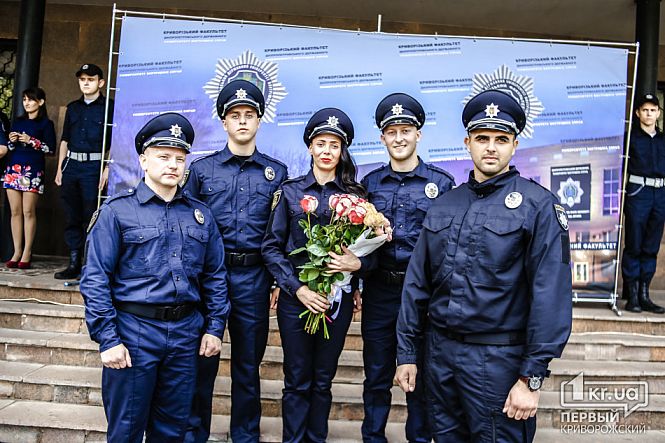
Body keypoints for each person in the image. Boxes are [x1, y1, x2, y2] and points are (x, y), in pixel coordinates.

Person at [395, 89, 573, 442]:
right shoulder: (445, 204)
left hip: (498, 361)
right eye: (482, 138)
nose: (491, 147)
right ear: (468, 143)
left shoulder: (538, 206)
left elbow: (550, 296)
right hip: (440, 357)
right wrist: (407, 353)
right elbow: (416, 285)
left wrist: (531, 378)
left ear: (515, 145)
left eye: (501, 139)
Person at [80, 112, 230, 442]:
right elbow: (95, 279)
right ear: (143, 160)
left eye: (180, 158)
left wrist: (214, 327)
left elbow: (215, 276)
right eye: (163, 156)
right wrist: (108, 339)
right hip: (134, 333)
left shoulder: (201, 215)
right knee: (126, 430)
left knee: (173, 431)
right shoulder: (116, 212)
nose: (173, 165)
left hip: (186, 335)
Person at [183, 79, 287, 443]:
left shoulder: (276, 173)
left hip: (254, 278)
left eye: (249, 115)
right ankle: (194, 433)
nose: (242, 121)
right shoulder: (201, 171)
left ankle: (245, 435)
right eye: (235, 115)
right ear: (224, 122)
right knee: (202, 360)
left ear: (259, 120)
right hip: (209, 278)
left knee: (247, 364)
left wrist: (277, 279)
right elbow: (186, 227)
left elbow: (281, 233)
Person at [261, 108, 364, 443]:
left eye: (334, 145)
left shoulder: (356, 197)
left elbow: (366, 253)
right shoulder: (290, 192)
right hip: (297, 300)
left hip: (336, 301)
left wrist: (356, 270)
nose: (326, 151)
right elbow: (271, 247)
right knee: (296, 379)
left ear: (342, 150)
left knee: (322, 380)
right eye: (320, 143)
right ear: (310, 147)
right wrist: (296, 288)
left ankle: (316, 438)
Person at [359, 93, 455, 442]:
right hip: (380, 291)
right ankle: (373, 437)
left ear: (419, 134)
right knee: (376, 375)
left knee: (423, 378)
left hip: (424, 296)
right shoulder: (369, 185)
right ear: (382, 137)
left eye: (406, 130)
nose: (399, 138)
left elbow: (449, 247)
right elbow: (358, 244)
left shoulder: (441, 184)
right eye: (391, 132)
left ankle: (419, 438)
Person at [55, 63, 114, 280]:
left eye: (90, 79)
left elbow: (115, 140)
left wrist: (107, 167)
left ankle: (90, 264)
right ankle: (74, 263)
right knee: (71, 214)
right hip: (71, 165)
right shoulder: (73, 108)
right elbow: (65, 140)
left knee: (91, 215)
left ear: (101, 82)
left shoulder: (109, 107)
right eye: (82, 79)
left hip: (94, 167)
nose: (86, 83)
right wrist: (60, 168)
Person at [3, 87, 56, 269]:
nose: (27, 103)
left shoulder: (46, 124)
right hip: (13, 168)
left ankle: (27, 251)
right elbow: (10, 147)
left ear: (40, 102)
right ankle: (16, 251)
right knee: (15, 211)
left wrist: (31, 140)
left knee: (28, 211)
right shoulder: (18, 121)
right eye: (24, 99)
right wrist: (11, 140)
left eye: (31, 99)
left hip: (33, 170)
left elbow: (51, 149)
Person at [621, 93, 665, 314]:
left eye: (653, 110)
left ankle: (645, 294)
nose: (649, 114)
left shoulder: (663, 139)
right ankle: (632, 295)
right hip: (638, 191)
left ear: (658, 113)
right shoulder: (630, 138)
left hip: (660, 193)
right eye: (645, 110)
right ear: (638, 113)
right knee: (634, 244)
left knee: (651, 246)